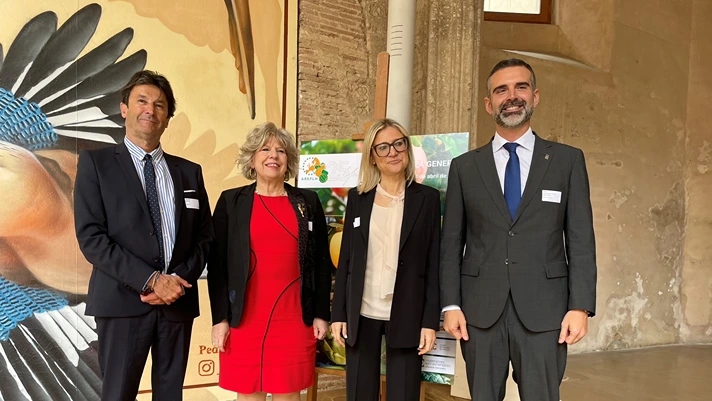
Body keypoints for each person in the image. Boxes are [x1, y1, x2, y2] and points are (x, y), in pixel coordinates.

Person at [440, 58, 597, 401]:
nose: (512, 96)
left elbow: (581, 240)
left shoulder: (567, 161)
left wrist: (580, 306)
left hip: (546, 311)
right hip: (480, 312)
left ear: (535, 96)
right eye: (501, 90)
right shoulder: (465, 167)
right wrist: (450, 304)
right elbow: (450, 243)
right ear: (489, 104)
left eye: (520, 87)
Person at [74, 70, 214, 401]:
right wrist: (151, 280)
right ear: (124, 108)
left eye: (160, 105)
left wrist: (175, 282)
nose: (150, 109)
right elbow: (92, 237)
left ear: (167, 118)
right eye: (142, 101)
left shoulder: (189, 171)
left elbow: (205, 237)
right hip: (122, 304)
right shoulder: (97, 164)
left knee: (170, 395)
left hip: (177, 304)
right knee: (118, 394)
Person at [208, 122, 331, 401]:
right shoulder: (231, 201)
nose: (273, 155)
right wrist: (220, 318)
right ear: (252, 158)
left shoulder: (308, 202)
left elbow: (321, 263)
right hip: (244, 318)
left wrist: (321, 313)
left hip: (294, 317)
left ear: (288, 160)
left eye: (281, 150)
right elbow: (217, 266)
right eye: (265, 149)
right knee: (249, 393)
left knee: (289, 392)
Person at [331, 118, 442, 401]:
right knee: (360, 393)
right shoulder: (358, 198)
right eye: (383, 147)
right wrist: (339, 314)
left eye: (398, 144)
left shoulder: (427, 199)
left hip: (407, 312)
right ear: (372, 156)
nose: (392, 152)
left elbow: (433, 264)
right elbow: (346, 261)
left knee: (403, 394)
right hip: (362, 312)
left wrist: (430, 321)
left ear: (407, 148)